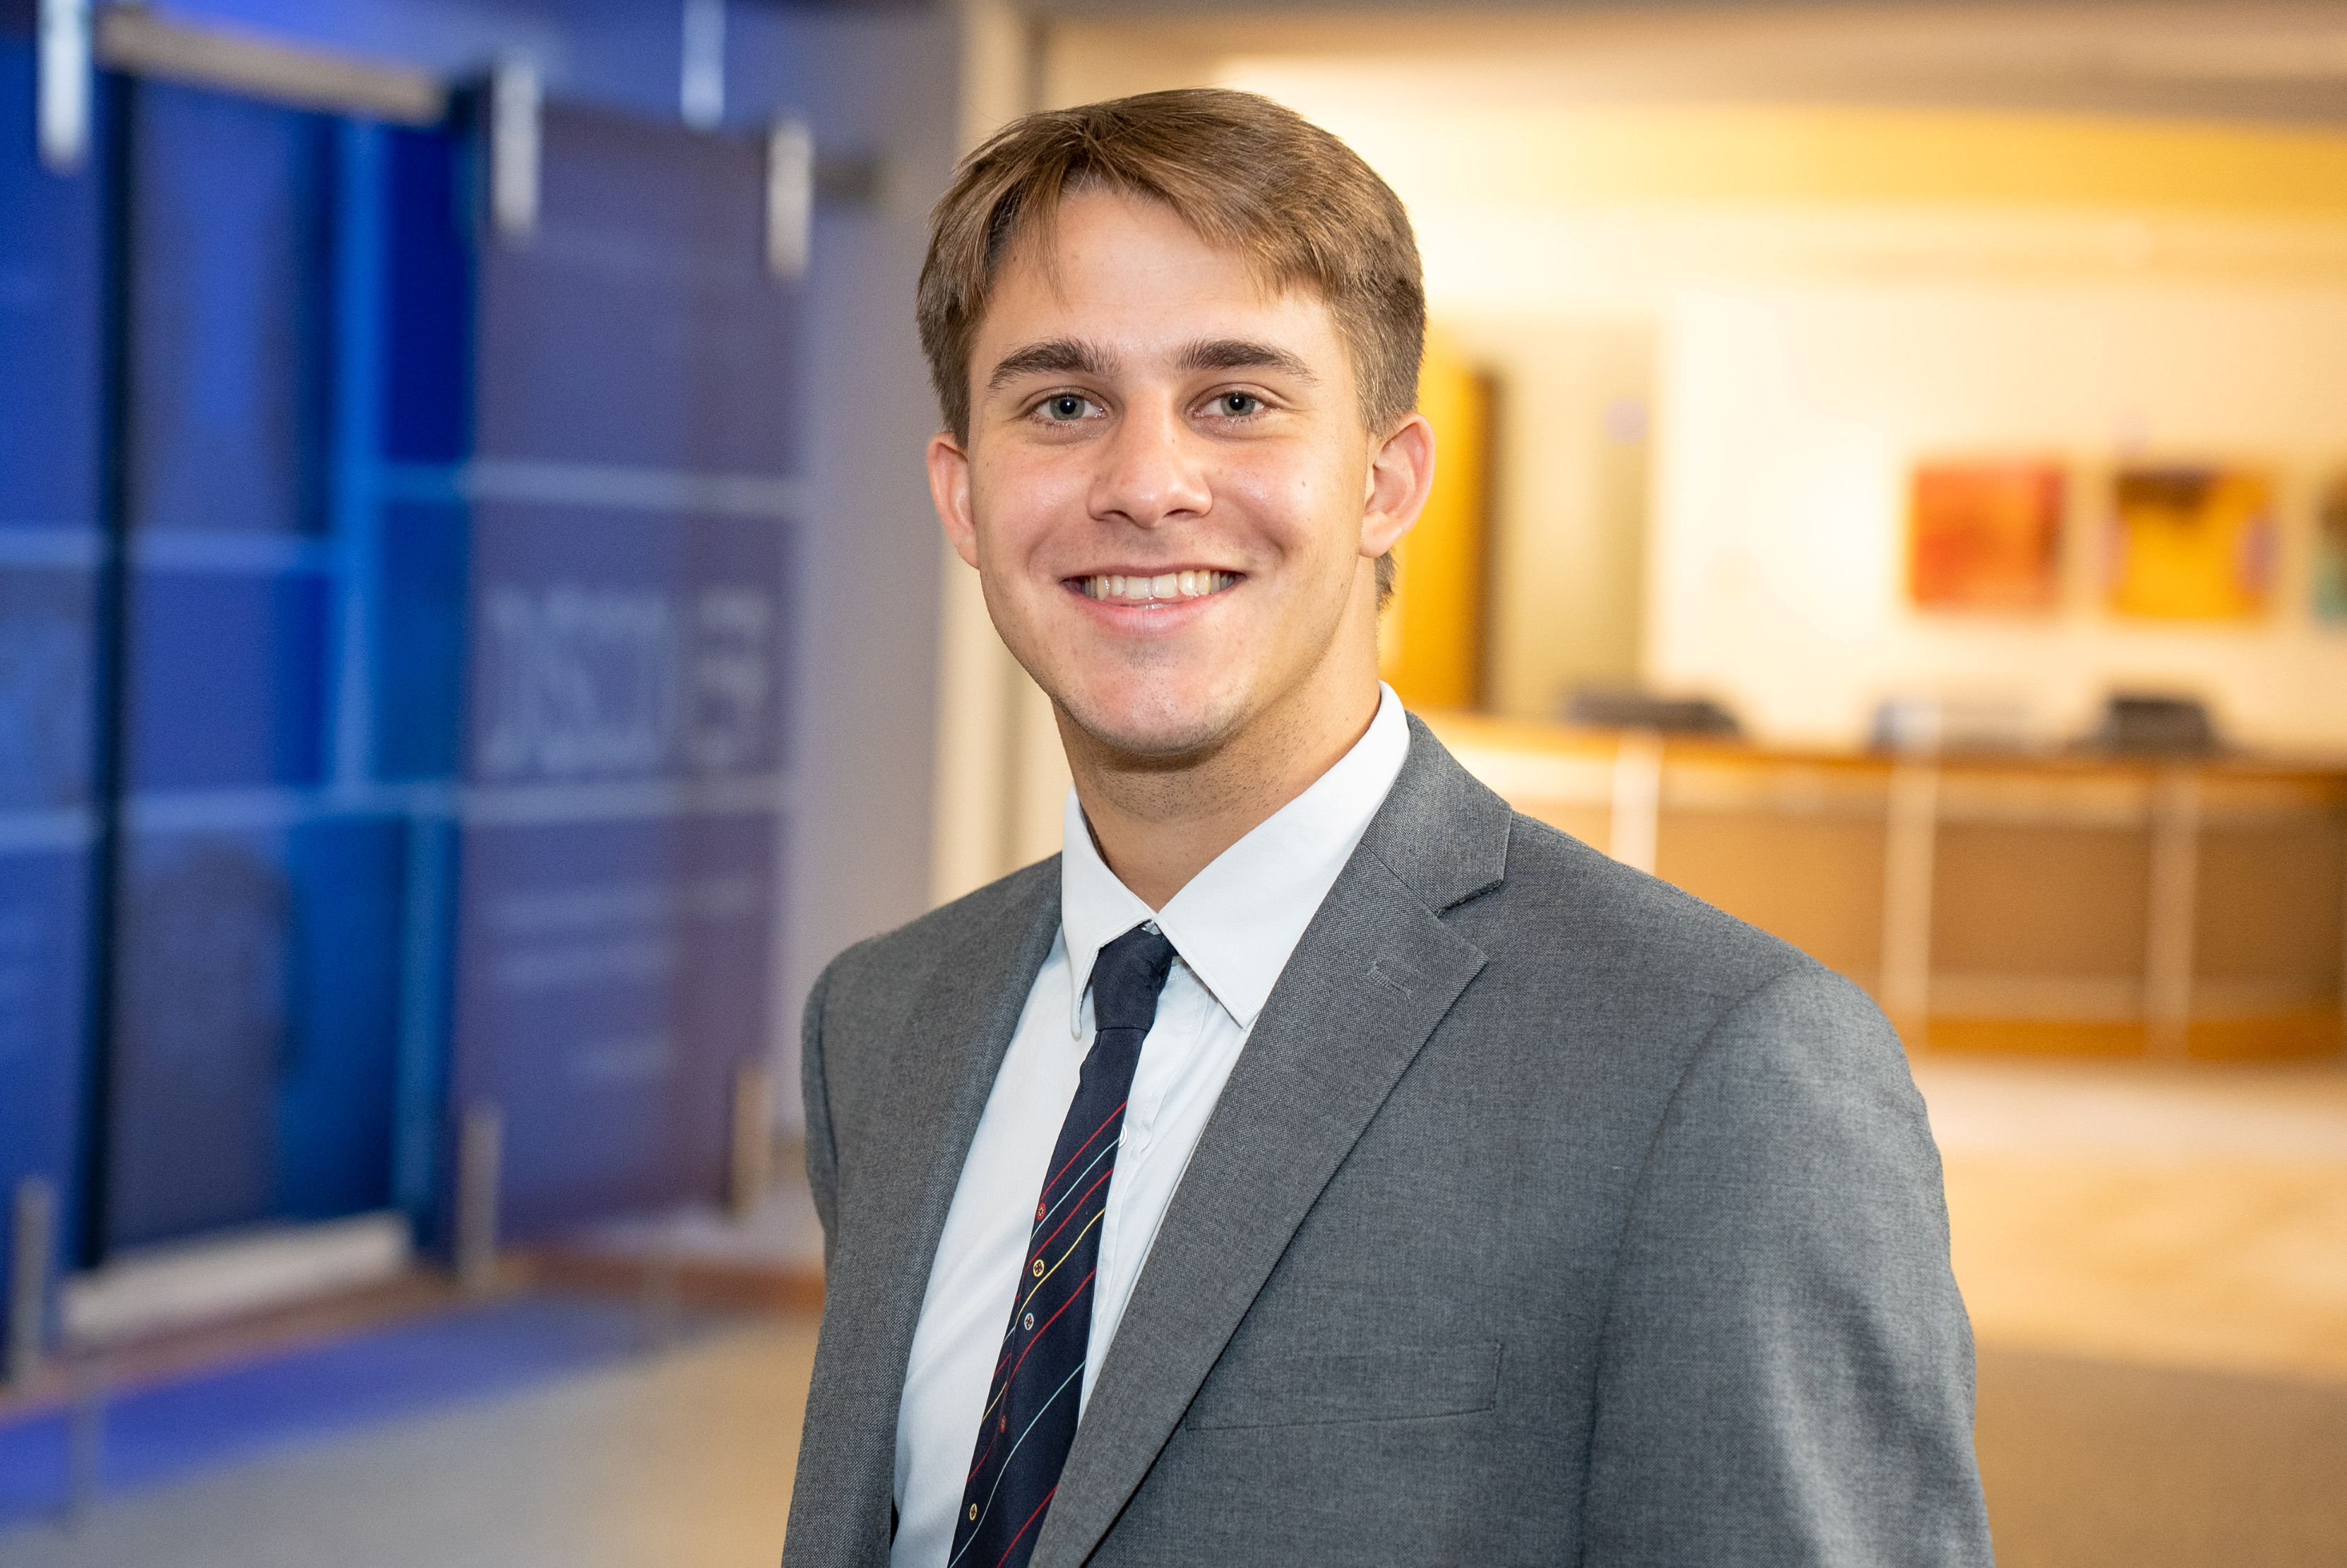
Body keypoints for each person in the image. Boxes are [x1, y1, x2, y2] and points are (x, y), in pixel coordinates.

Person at [783, 88, 1992, 1568]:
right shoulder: (888, 1021)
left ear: (1386, 481)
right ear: (963, 496)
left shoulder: (1722, 1070)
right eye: (1062, 403)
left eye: (1237, 398)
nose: (1147, 482)